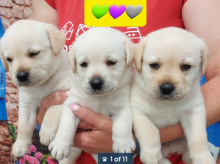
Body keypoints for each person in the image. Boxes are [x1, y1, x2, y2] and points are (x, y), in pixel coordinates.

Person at [32, 0, 220, 163]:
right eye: (154, 65)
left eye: (111, 62)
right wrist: (46, 110)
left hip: (170, 155)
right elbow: (41, 65)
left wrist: (143, 139)